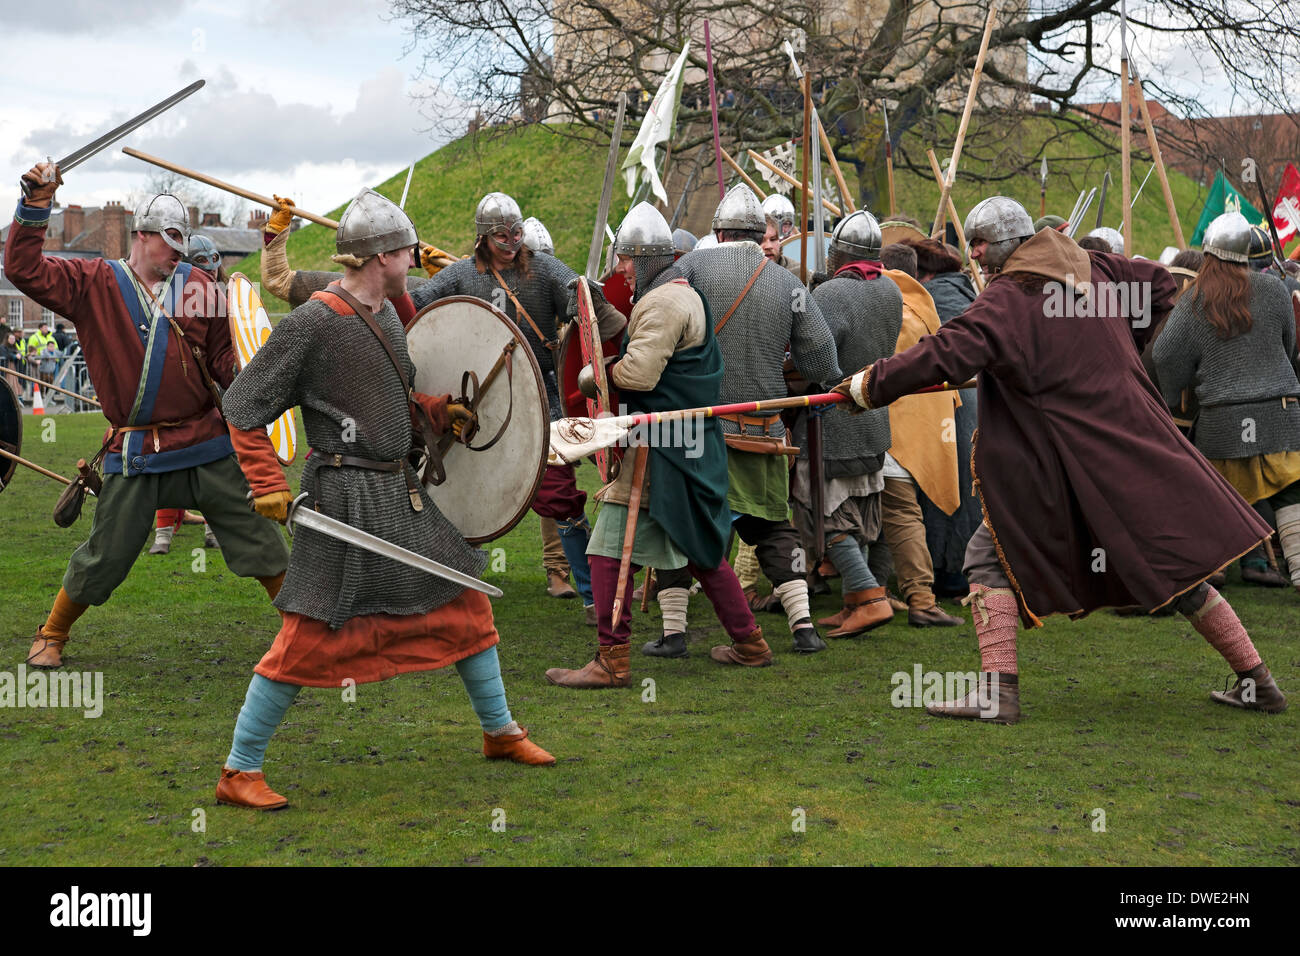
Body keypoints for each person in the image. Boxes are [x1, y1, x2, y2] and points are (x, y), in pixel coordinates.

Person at [835, 196, 1287, 720]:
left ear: (1008, 243)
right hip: (1122, 444)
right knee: (1174, 567)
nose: (975, 252)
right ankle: (1259, 681)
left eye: (981, 242)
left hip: (1058, 462)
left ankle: (997, 693)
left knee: (988, 556)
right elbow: (1163, 286)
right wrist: (1118, 346)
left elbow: (947, 351)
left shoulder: (1011, 296)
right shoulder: (1093, 267)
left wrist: (869, 384)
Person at [215, 188, 554, 811]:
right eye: (404, 248)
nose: (414, 255)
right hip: (340, 500)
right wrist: (266, 481)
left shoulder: (392, 315)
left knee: (466, 603)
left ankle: (501, 732)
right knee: (308, 632)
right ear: (380, 256)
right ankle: (240, 769)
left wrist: (433, 410)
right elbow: (242, 406)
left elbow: (387, 400)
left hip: (398, 493)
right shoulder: (313, 323)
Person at [6, 163, 289, 669]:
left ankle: (304, 632)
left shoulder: (200, 286)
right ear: (142, 234)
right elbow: (23, 270)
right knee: (106, 554)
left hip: (205, 441)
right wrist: (34, 206)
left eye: (182, 248)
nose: (177, 255)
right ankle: (52, 631)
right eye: (169, 243)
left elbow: (225, 358)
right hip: (136, 451)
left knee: (259, 538)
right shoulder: (92, 281)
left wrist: (258, 374)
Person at [546, 203, 768, 682]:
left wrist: (592, 377)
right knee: (701, 547)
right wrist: (602, 326)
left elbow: (640, 375)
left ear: (647, 258)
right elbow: (652, 354)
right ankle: (750, 642)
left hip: (660, 447)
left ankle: (612, 660)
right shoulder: (679, 293)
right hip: (684, 442)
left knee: (606, 549)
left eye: (628, 259)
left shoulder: (664, 302)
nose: (623, 268)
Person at [412, 192, 627, 624]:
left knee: (561, 497)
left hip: (535, 398)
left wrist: (588, 300)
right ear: (482, 237)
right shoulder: (459, 276)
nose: (511, 242)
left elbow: (587, 307)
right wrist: (397, 279)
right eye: (500, 235)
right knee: (467, 494)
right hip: (476, 403)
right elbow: (415, 306)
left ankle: (592, 597)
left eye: (516, 233)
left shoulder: (544, 270)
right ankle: (457, 592)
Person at [666, 183, 842, 654]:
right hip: (763, 429)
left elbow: (655, 331)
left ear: (719, 232)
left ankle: (674, 633)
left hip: (697, 429)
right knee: (771, 528)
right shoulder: (787, 283)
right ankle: (804, 628)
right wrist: (833, 383)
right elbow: (821, 356)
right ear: (757, 231)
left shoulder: (688, 269)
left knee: (681, 524)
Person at [1154, 211, 1300, 596]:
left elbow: (1166, 356)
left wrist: (1175, 394)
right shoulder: (1274, 290)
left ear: (1208, 253)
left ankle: (1205, 571)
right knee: (1291, 491)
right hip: (1280, 411)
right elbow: (1289, 346)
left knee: (1211, 492)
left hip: (1223, 417)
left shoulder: (1195, 299)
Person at [797, 211, 901, 636]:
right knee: (859, 509)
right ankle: (855, 601)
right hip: (874, 417)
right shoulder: (893, 289)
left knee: (820, 510)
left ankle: (868, 596)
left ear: (838, 252)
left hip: (833, 421)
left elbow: (819, 362)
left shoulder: (832, 295)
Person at [902, 237, 981, 597]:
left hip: (948, 404)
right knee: (968, 485)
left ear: (925, 274)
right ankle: (965, 568)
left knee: (947, 484)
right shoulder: (968, 294)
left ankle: (948, 571)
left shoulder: (937, 300)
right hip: (973, 404)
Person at [152, 232, 226, 553]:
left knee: (215, 465)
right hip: (179, 390)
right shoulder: (163, 297)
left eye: (213, 265)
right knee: (172, 461)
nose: (209, 271)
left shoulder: (224, 295)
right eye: (202, 265)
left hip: (216, 390)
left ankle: (211, 529)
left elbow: (232, 345)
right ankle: (163, 534)